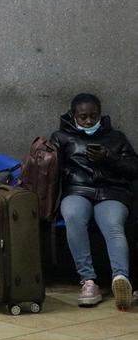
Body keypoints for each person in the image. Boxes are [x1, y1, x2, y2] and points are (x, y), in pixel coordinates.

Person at [51, 93, 138, 310]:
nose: (89, 121)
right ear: (73, 116)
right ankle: (88, 281)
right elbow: (51, 169)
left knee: (112, 225)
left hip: (111, 191)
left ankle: (121, 279)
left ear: (100, 115)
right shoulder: (61, 138)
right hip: (78, 190)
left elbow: (133, 169)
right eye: (83, 117)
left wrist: (110, 157)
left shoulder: (116, 138)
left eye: (93, 116)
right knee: (73, 216)